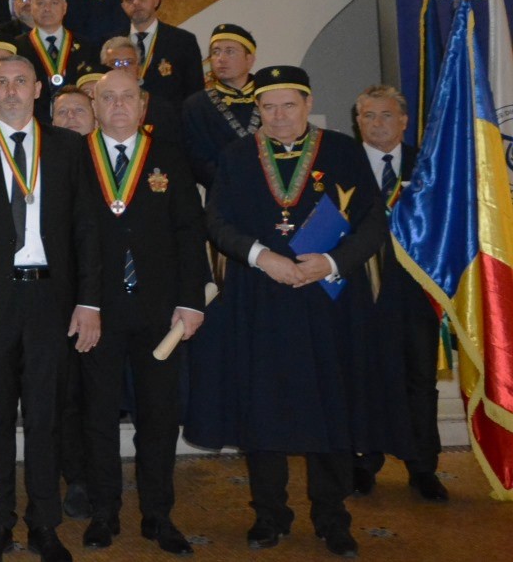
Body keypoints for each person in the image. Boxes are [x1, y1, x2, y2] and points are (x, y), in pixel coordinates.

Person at [185, 67, 397, 558]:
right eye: (268, 107)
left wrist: (331, 261)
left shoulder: (343, 151)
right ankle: (268, 514)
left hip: (327, 300)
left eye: (289, 106)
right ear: (257, 109)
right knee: (263, 409)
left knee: (331, 406)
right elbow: (216, 222)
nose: (278, 117)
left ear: (308, 104)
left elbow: (373, 220)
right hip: (260, 299)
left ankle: (332, 516)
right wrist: (263, 257)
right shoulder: (235, 157)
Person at [0, 54, 101, 562]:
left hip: (51, 301)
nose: (11, 91)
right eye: (0, 83)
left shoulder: (69, 148)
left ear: (38, 90)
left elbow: (86, 232)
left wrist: (89, 302)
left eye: (20, 82)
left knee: (45, 417)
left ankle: (44, 526)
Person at [76, 70, 206, 555]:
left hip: (160, 314)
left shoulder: (168, 156)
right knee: (98, 415)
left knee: (158, 416)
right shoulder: (74, 157)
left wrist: (191, 301)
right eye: (106, 98)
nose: (116, 106)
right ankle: (104, 513)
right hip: (96, 313)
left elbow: (190, 232)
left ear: (143, 104)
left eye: (126, 97)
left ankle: (158, 515)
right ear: (94, 105)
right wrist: (78, 303)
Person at [350, 85, 447, 502]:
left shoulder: (429, 165)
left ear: (404, 121)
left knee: (420, 381)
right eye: (368, 116)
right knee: (364, 376)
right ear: (358, 122)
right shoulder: (343, 164)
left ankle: (423, 466)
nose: (376, 124)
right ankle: (363, 462)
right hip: (360, 290)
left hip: (414, 292)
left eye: (386, 116)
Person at [180, 24, 259, 188]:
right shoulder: (196, 105)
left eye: (230, 51)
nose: (220, 58)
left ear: (249, 59)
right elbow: (196, 158)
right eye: (215, 52)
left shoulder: (267, 99)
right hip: (221, 194)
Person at [119, 0, 204, 109]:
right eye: (129, 0)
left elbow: (195, 95)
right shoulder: (112, 44)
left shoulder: (183, 41)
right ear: (123, 6)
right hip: (125, 125)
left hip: (172, 125)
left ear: (156, 0)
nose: (136, 3)